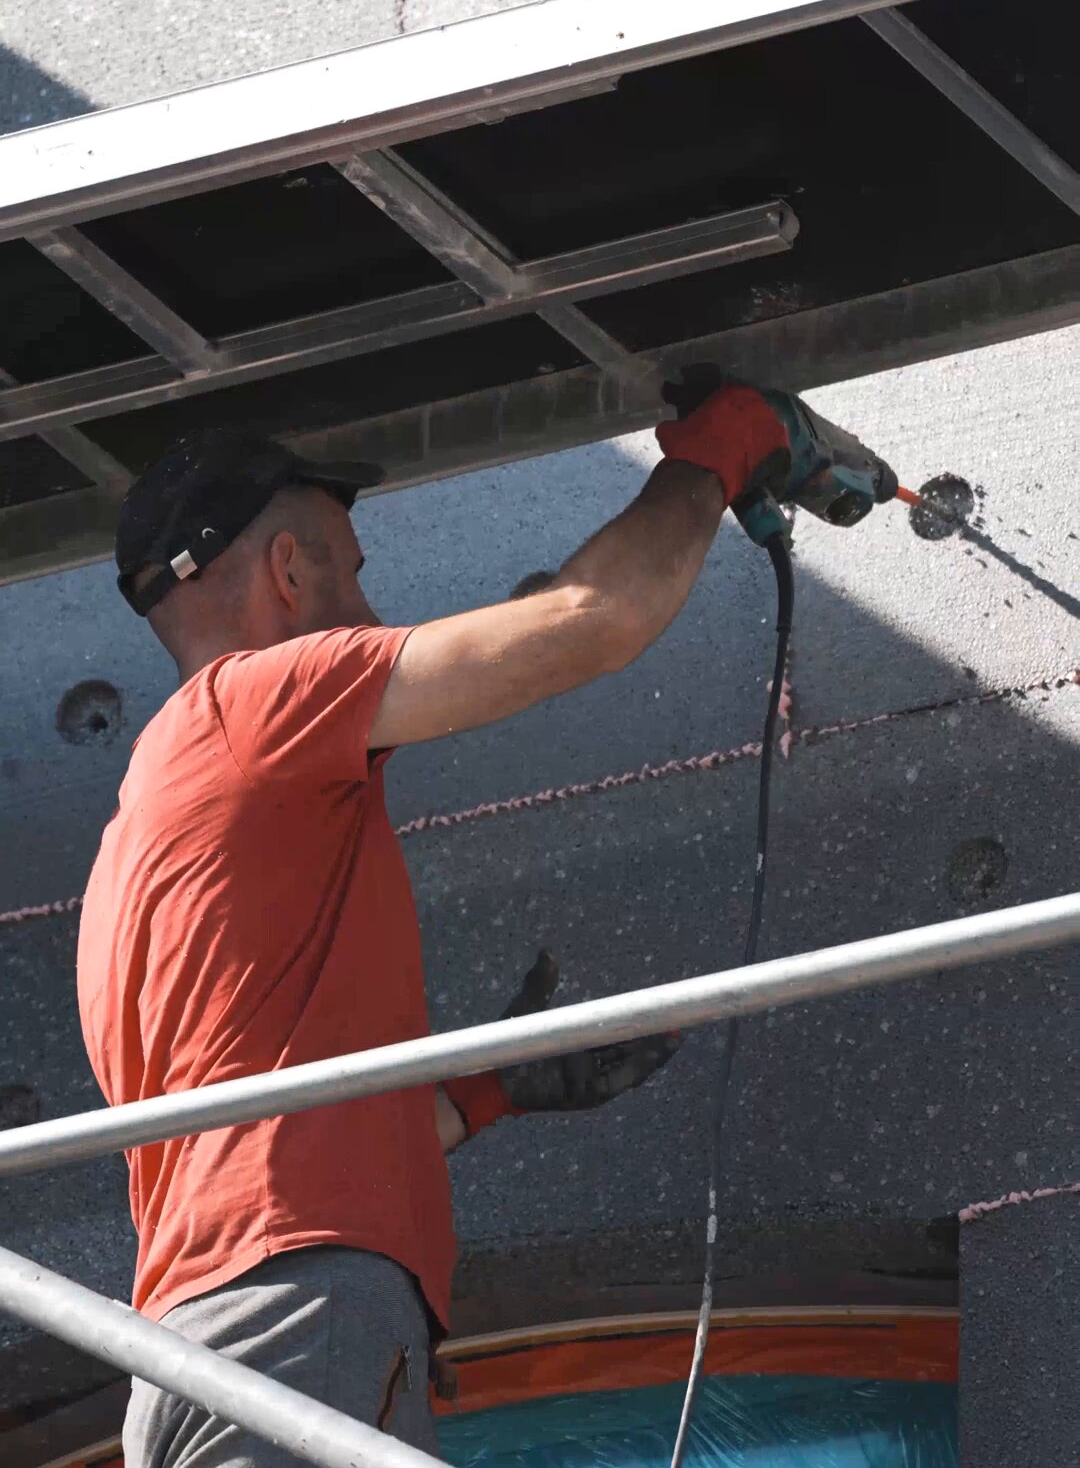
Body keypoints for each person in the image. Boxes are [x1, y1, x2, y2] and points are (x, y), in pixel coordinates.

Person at [76, 380, 791, 1467]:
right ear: (286, 572)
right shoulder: (256, 702)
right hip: (291, 1322)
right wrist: (729, 442)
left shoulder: (134, 849)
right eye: (354, 576)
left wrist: (500, 1087)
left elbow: (270, 1155)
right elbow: (593, 621)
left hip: (198, 1346)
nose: (368, 612)